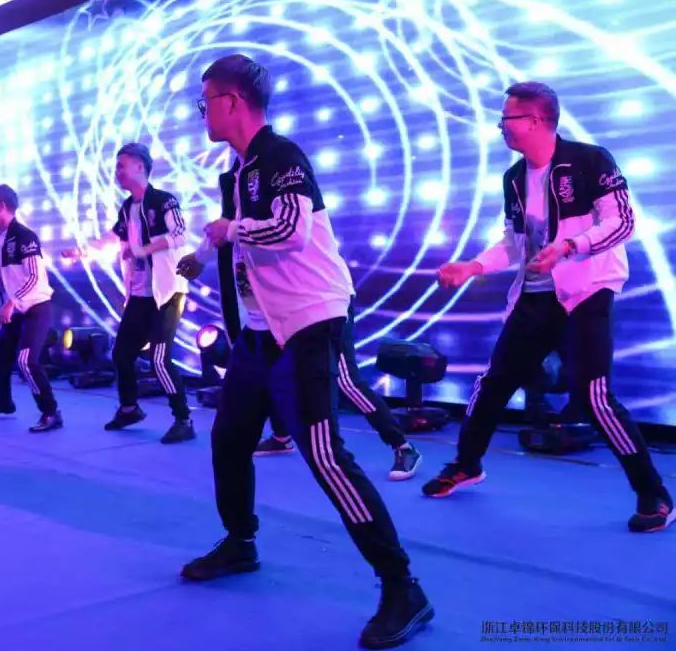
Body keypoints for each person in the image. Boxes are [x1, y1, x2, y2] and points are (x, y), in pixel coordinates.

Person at [180, 55, 431, 649]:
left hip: (312, 322)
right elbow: (237, 231)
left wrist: (231, 232)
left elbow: (290, 231)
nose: (201, 113)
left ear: (232, 101)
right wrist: (205, 252)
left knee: (324, 455)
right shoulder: (238, 171)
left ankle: (403, 587)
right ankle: (240, 542)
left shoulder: (281, 156)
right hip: (260, 331)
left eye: (205, 101)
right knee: (229, 438)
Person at [425, 81, 673, 533]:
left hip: (586, 292)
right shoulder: (513, 178)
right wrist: (473, 267)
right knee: (493, 383)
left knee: (594, 396)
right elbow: (513, 242)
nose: (501, 127)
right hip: (535, 296)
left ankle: (653, 493)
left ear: (537, 120)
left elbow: (622, 222)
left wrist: (569, 247)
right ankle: (466, 464)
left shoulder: (590, 160)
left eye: (507, 119)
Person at [180, 167, 423, 477]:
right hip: (276, 307)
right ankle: (282, 435)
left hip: (322, 303)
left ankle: (402, 445)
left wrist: (216, 244)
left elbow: (285, 233)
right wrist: (202, 256)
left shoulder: (280, 174)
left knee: (345, 380)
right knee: (266, 369)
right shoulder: (234, 189)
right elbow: (226, 231)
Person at [62, 143, 195, 443]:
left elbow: (179, 235)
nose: (117, 172)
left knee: (159, 359)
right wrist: (81, 252)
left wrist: (143, 249)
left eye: (122, 165)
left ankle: (183, 418)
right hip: (139, 294)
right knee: (121, 353)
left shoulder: (163, 200)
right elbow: (112, 238)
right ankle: (129, 408)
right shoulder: (127, 207)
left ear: (140, 166)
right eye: (116, 166)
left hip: (167, 292)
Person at [0, 184, 61, 433]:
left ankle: (51, 412)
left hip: (35, 307)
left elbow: (34, 277)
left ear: (2, 206)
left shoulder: (25, 236)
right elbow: (3, 281)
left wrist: (11, 303)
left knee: (26, 361)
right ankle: (4, 403)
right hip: (14, 311)